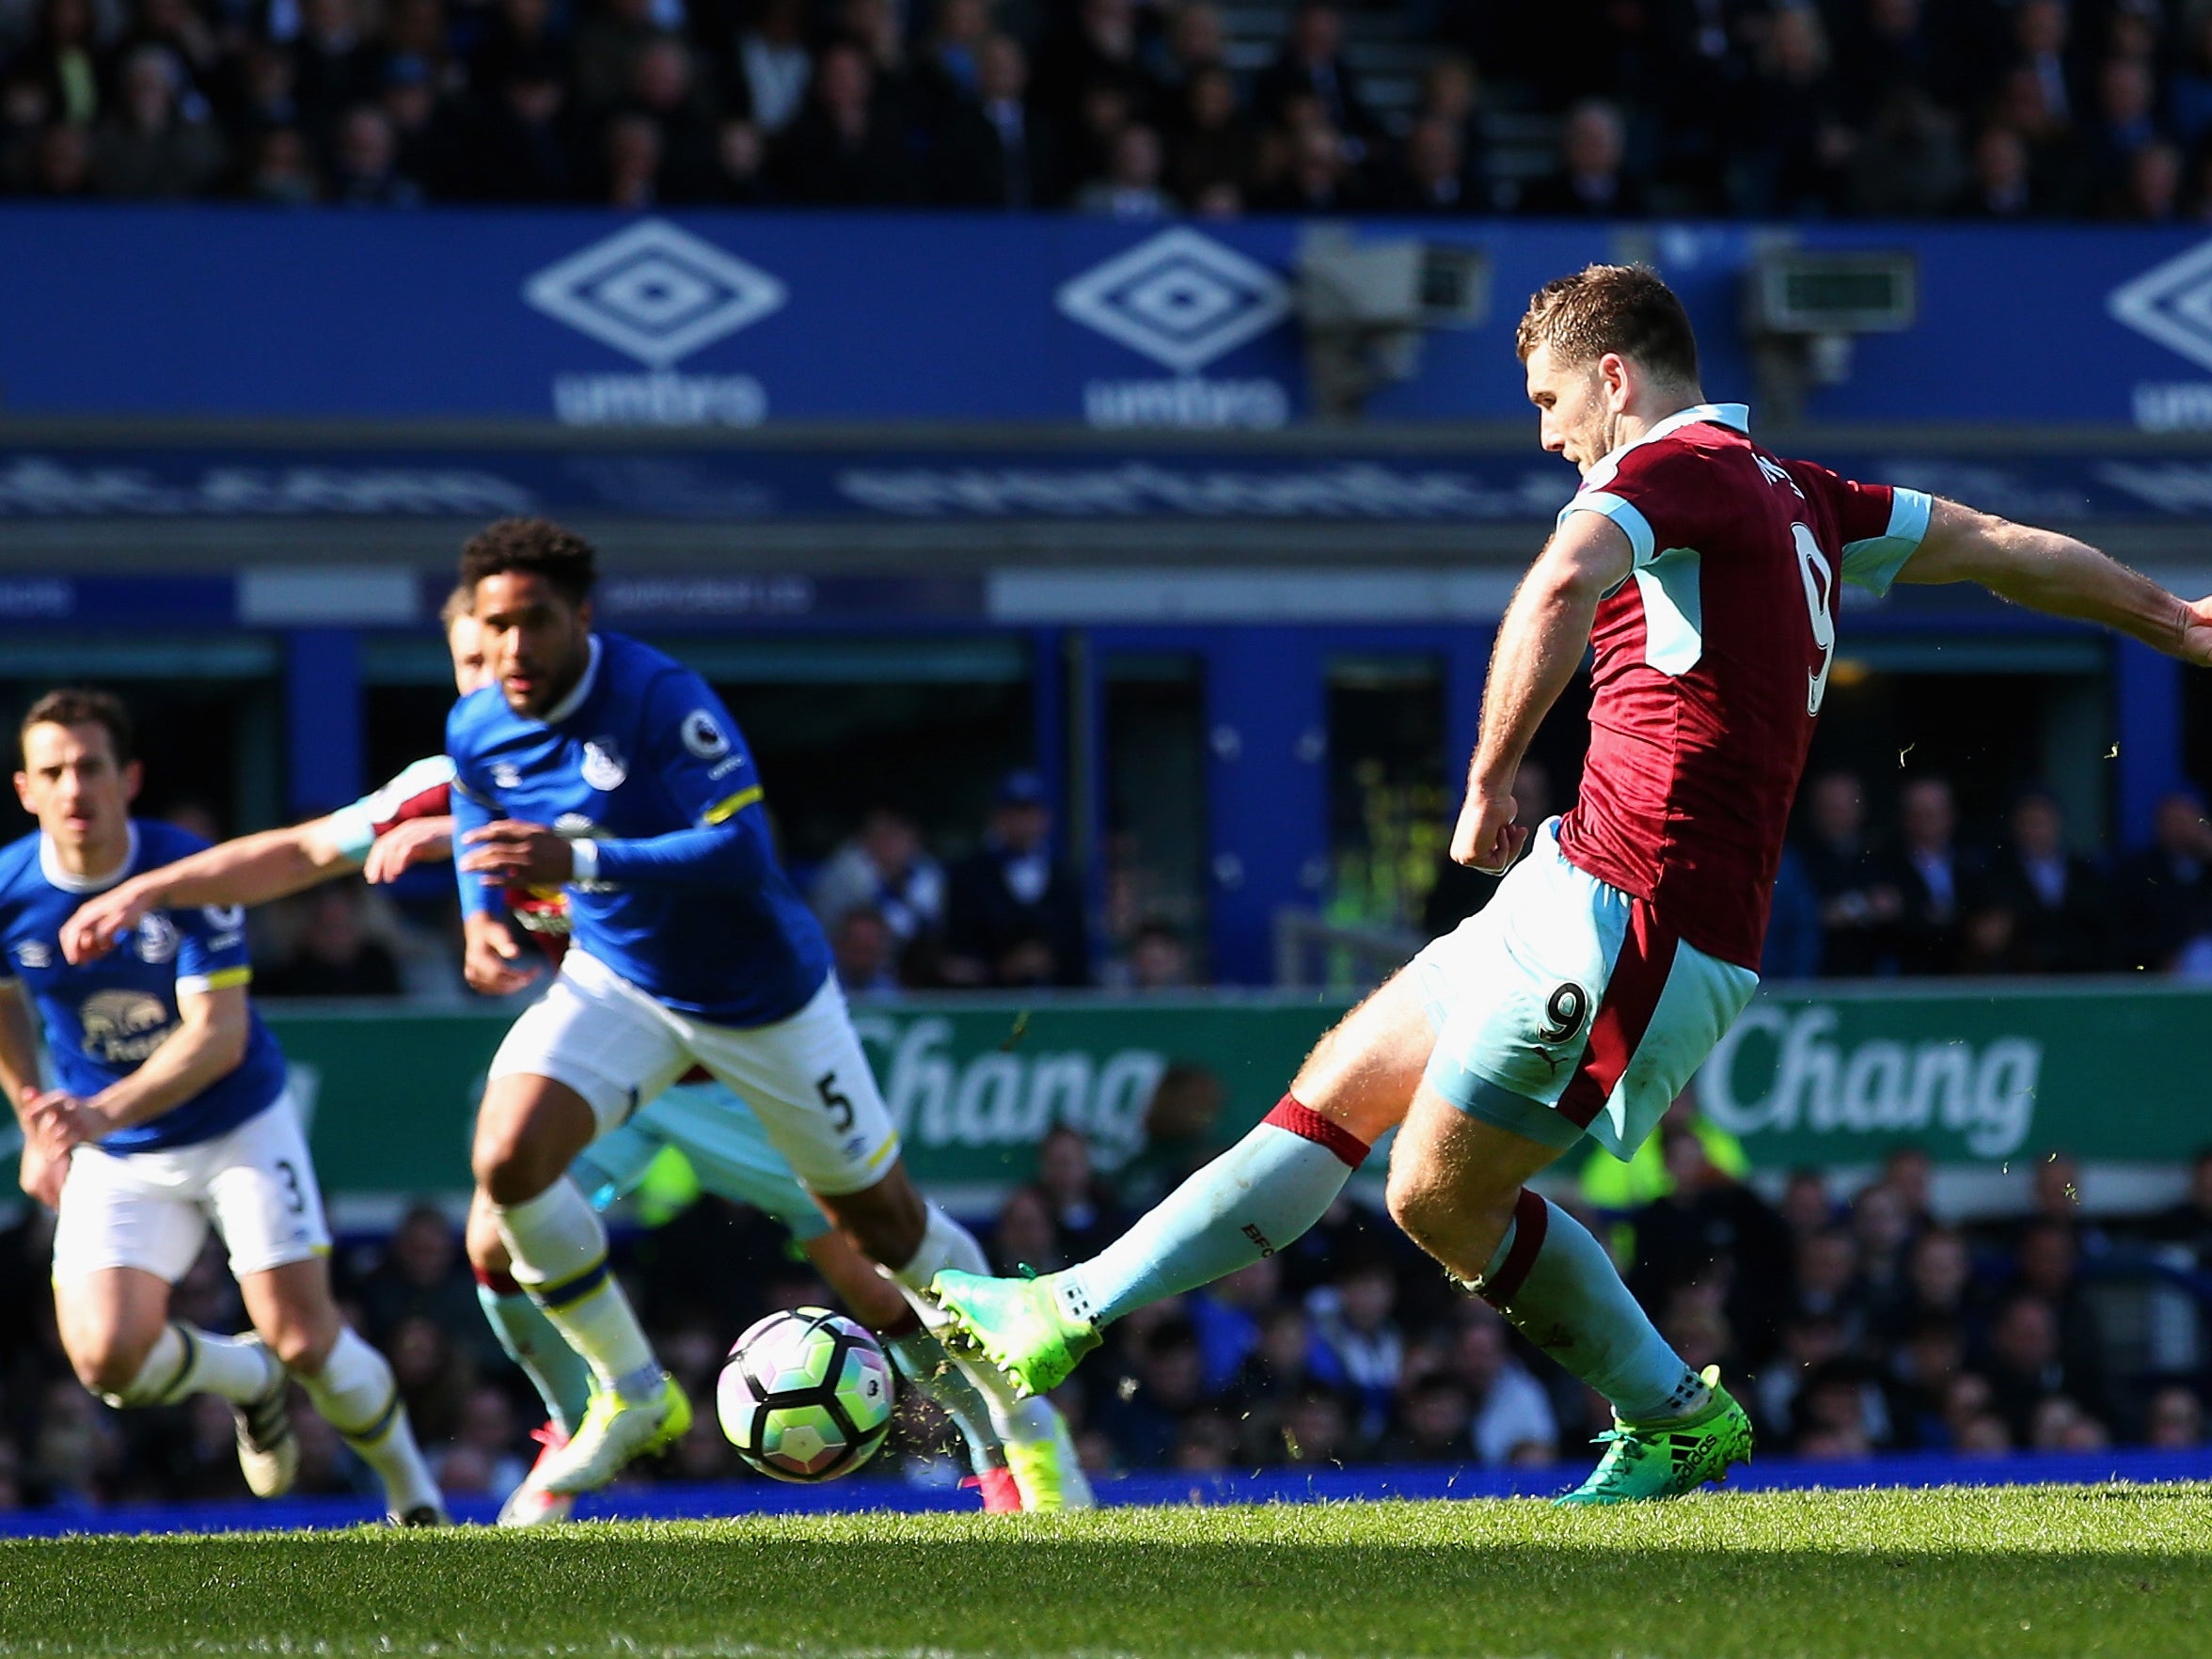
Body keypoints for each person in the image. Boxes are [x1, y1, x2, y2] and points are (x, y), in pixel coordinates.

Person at [932, 260, 2212, 1505]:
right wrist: (2177, 621)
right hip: (1579, 879)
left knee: (1435, 1198)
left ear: (1613, 376)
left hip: (1641, 916)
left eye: (1549, 402)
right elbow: (1998, 545)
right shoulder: (1802, 490)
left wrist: (1486, 777)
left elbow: (1561, 578)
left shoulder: (1677, 468)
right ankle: (1062, 1311)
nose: (1547, 436)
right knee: (1328, 1097)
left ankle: (1671, 1413)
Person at [60, 590, 1079, 1521]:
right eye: (465, 663)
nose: (489, 680)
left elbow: (722, 870)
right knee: (493, 1237)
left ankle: (1002, 1445)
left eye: (502, 656)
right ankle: (582, 1418)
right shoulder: (447, 782)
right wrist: (159, 888)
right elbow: (301, 850)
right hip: (619, 1083)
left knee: (875, 1277)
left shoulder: (616, 765)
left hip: (734, 1072)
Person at [440, 518, 1084, 1514]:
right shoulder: (479, 720)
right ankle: (628, 1393)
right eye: (496, 627)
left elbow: (741, 850)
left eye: (535, 623)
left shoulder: (658, 699)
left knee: (889, 1235)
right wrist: (484, 919)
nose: (513, 650)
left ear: (582, 617)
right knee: (506, 1162)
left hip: (758, 1002)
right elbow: (481, 811)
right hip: (621, 987)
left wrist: (584, 863)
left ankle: (1022, 1425)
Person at [1, 688, 445, 1525]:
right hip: (121, 1152)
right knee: (105, 1360)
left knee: (307, 1339)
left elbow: (219, 1038)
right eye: (52, 772)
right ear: (25, 789)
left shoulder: (190, 871)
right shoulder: (8, 890)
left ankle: (409, 1493)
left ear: (127, 778)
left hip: (235, 1124)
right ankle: (247, 1379)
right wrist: (34, 1118)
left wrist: (99, 1114)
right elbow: (5, 1005)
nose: (73, 789)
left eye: (90, 767)